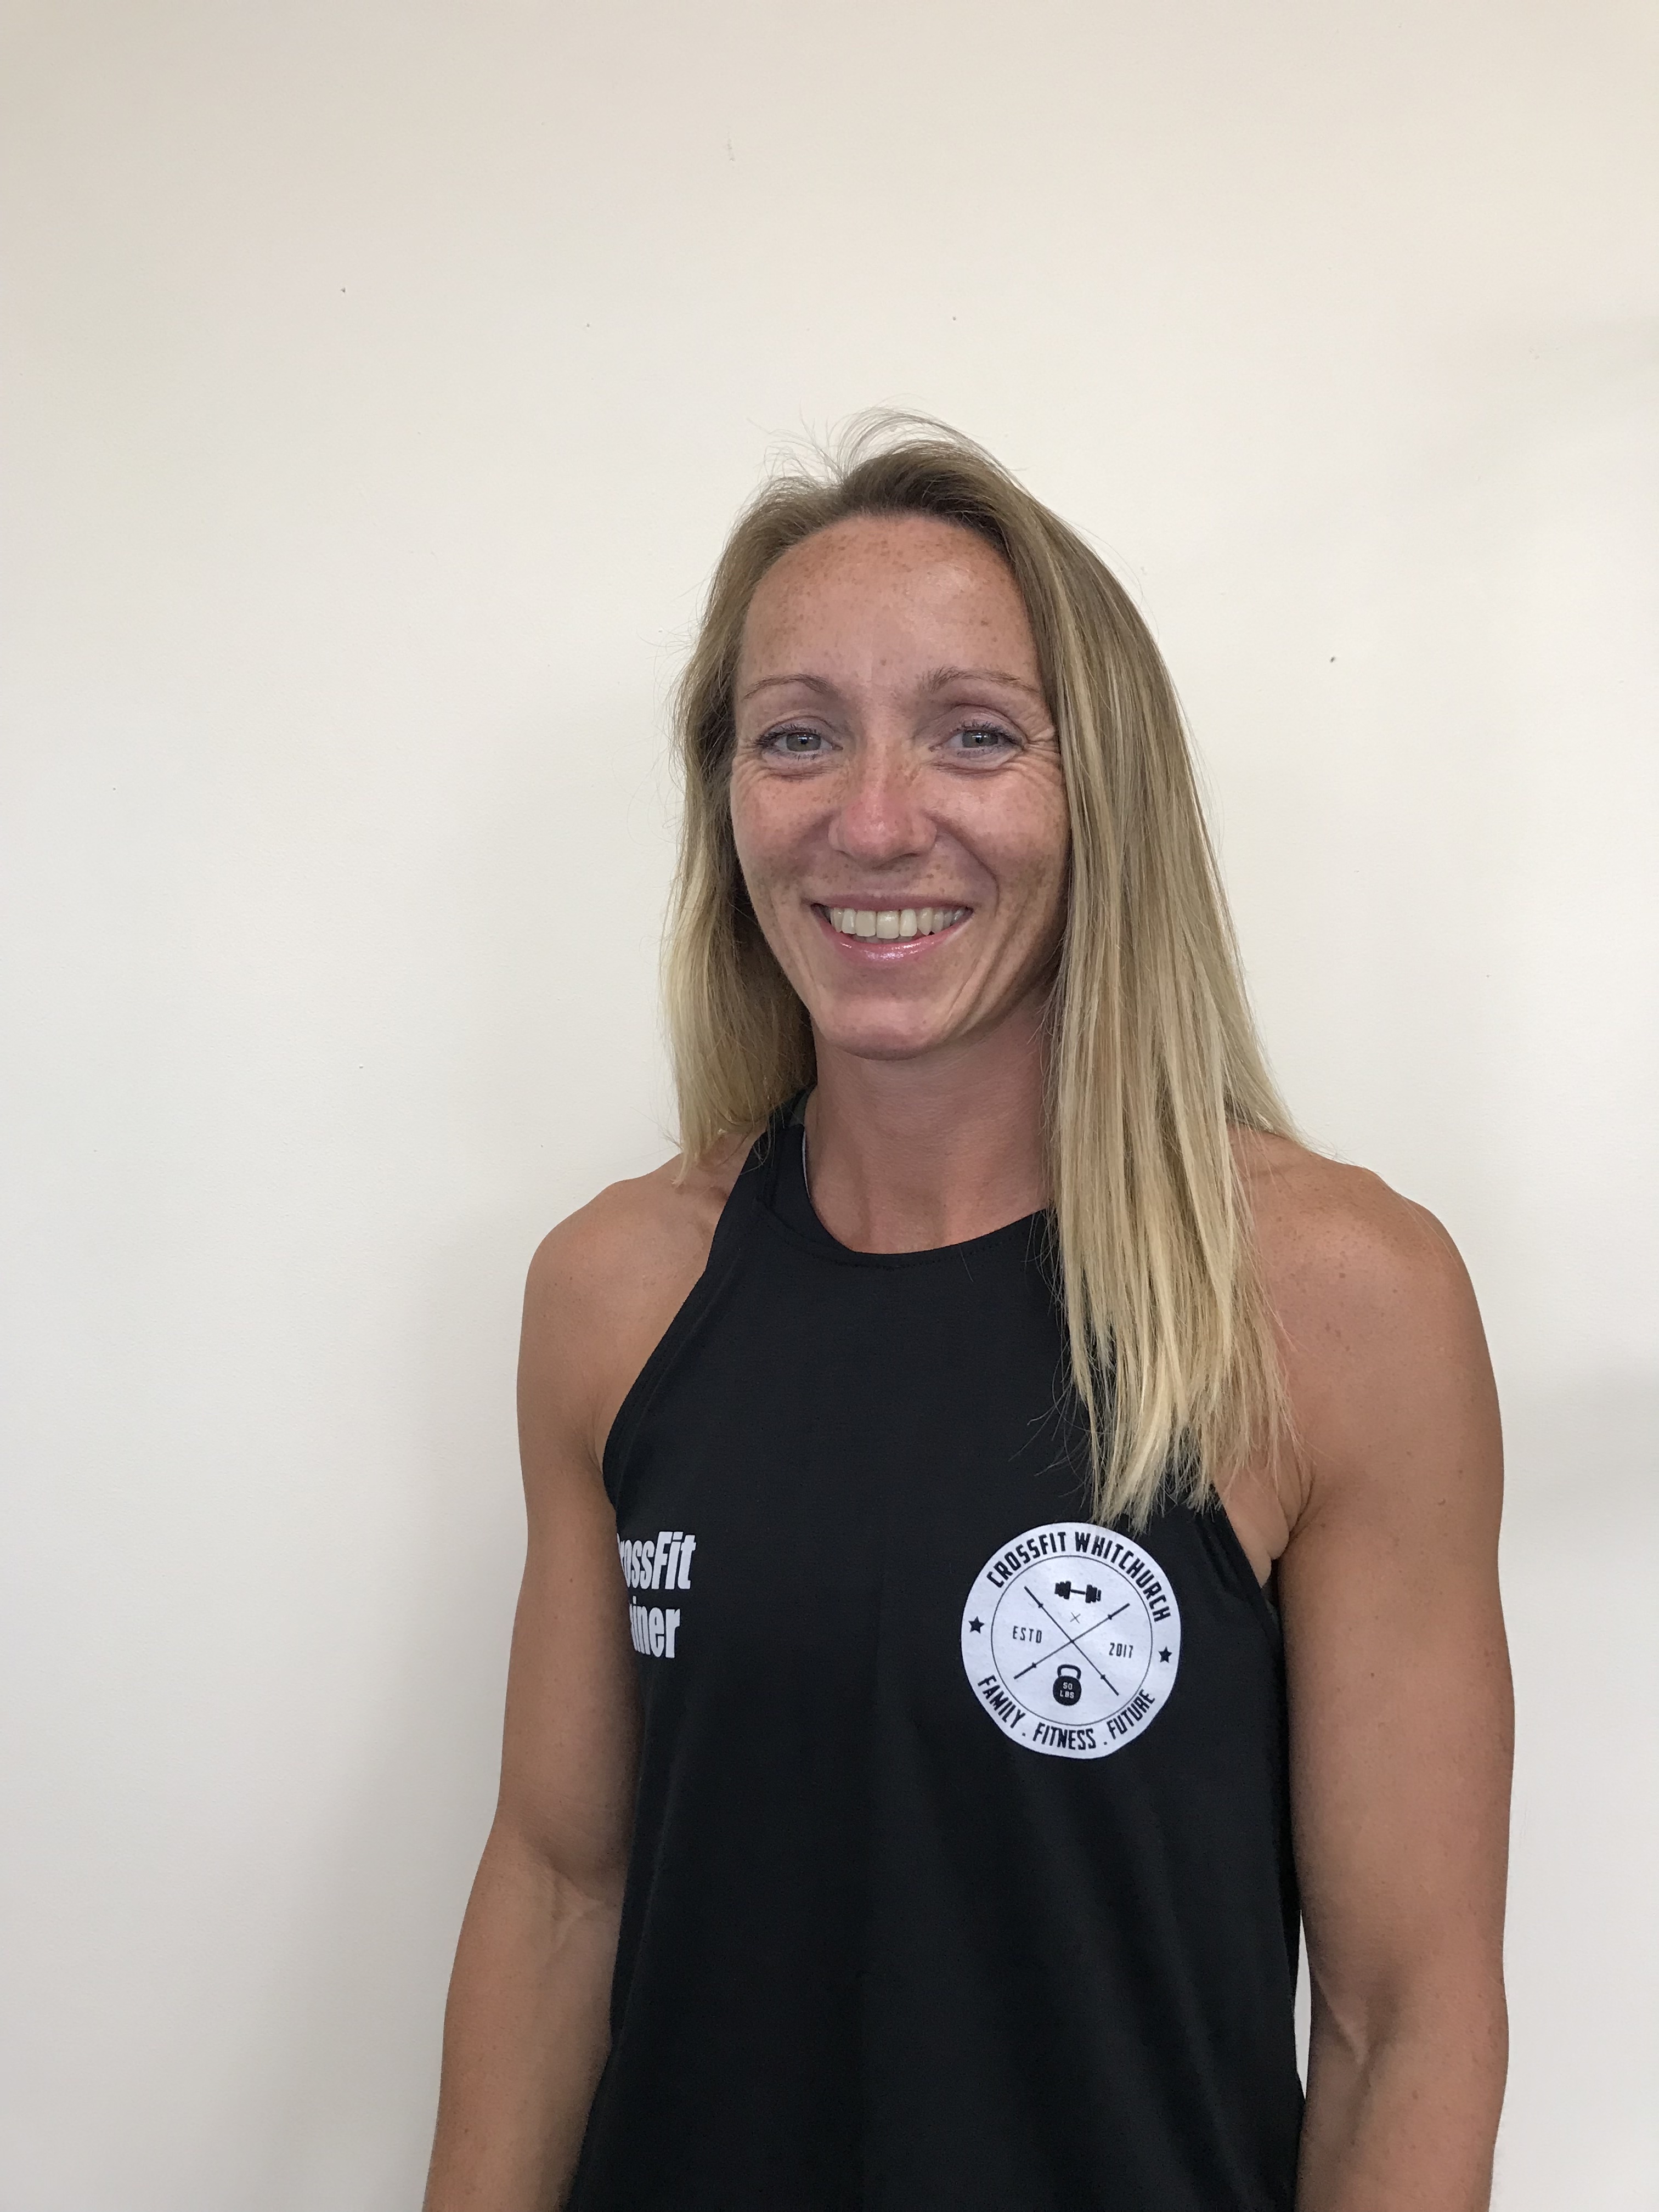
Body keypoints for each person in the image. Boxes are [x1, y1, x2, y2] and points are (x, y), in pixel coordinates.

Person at [422, 417, 1511, 2211]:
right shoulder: (614, 1293)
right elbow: (557, 1893)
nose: (872, 821)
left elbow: (1407, 2023)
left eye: (976, 734)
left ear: (1102, 797)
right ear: (727, 800)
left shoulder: (1329, 1302)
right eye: (798, 737)